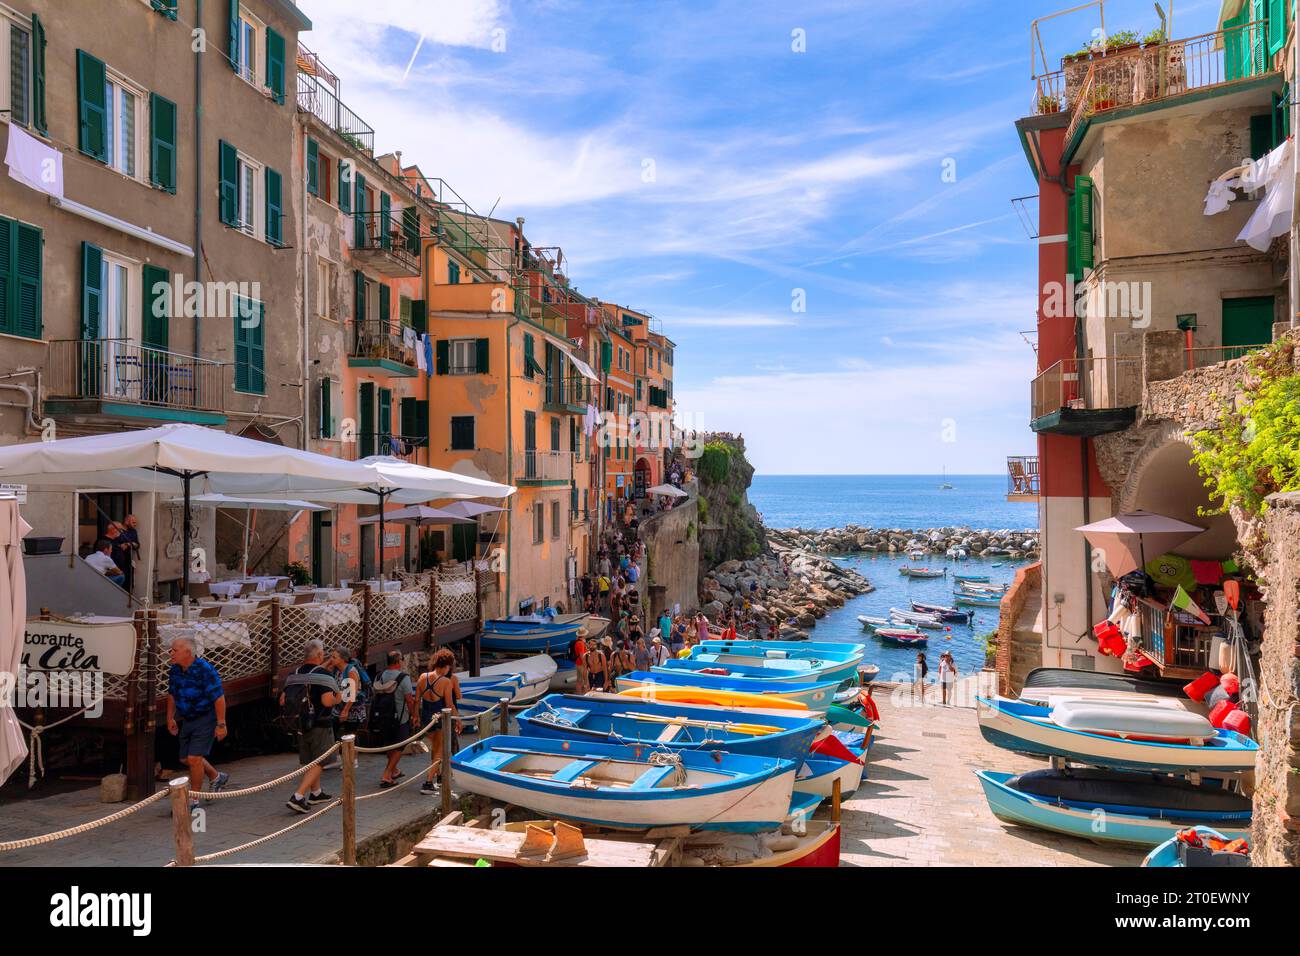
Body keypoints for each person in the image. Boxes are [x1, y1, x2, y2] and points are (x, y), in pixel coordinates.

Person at [164, 636, 229, 812]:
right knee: (185, 758)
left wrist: (221, 723)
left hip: (206, 717)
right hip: (188, 718)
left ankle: (193, 799)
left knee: (194, 759)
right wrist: (170, 717)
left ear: (188, 652)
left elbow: (219, 697)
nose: (170, 653)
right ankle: (216, 776)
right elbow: (172, 694)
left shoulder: (205, 670)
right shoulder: (175, 670)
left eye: (174, 650)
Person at [282, 640, 342, 814]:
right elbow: (327, 701)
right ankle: (298, 796)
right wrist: (339, 698)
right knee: (321, 760)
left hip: (299, 723)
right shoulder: (324, 675)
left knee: (310, 761)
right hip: (319, 724)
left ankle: (316, 793)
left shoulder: (294, 674)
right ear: (319, 655)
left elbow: (283, 699)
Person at [414, 648, 458, 796]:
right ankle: (428, 782)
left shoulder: (422, 677)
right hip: (439, 718)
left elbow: (416, 700)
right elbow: (450, 704)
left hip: (426, 718)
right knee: (439, 751)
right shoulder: (446, 681)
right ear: (446, 666)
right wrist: (458, 720)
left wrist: (415, 716)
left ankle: (439, 777)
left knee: (435, 748)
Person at [372, 651, 416, 787]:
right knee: (399, 746)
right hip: (399, 718)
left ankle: (394, 770)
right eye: (402, 659)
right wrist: (414, 715)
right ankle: (387, 775)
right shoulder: (404, 678)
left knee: (390, 744)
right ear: (398, 661)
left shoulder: (379, 677)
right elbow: (409, 700)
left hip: (382, 717)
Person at [327, 647, 370, 740]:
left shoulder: (351, 671)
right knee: (332, 731)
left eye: (334, 657)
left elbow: (353, 693)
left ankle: (352, 753)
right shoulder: (337, 670)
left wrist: (345, 711)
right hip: (340, 706)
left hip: (352, 708)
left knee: (349, 736)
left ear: (343, 659)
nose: (331, 659)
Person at [117, 515, 140, 593]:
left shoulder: (133, 531)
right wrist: (127, 544)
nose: (135, 524)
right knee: (120, 581)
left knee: (129, 582)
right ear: (126, 521)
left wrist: (129, 544)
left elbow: (137, 544)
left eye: (135, 523)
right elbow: (115, 545)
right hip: (118, 559)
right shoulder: (118, 531)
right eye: (133, 522)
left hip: (128, 559)